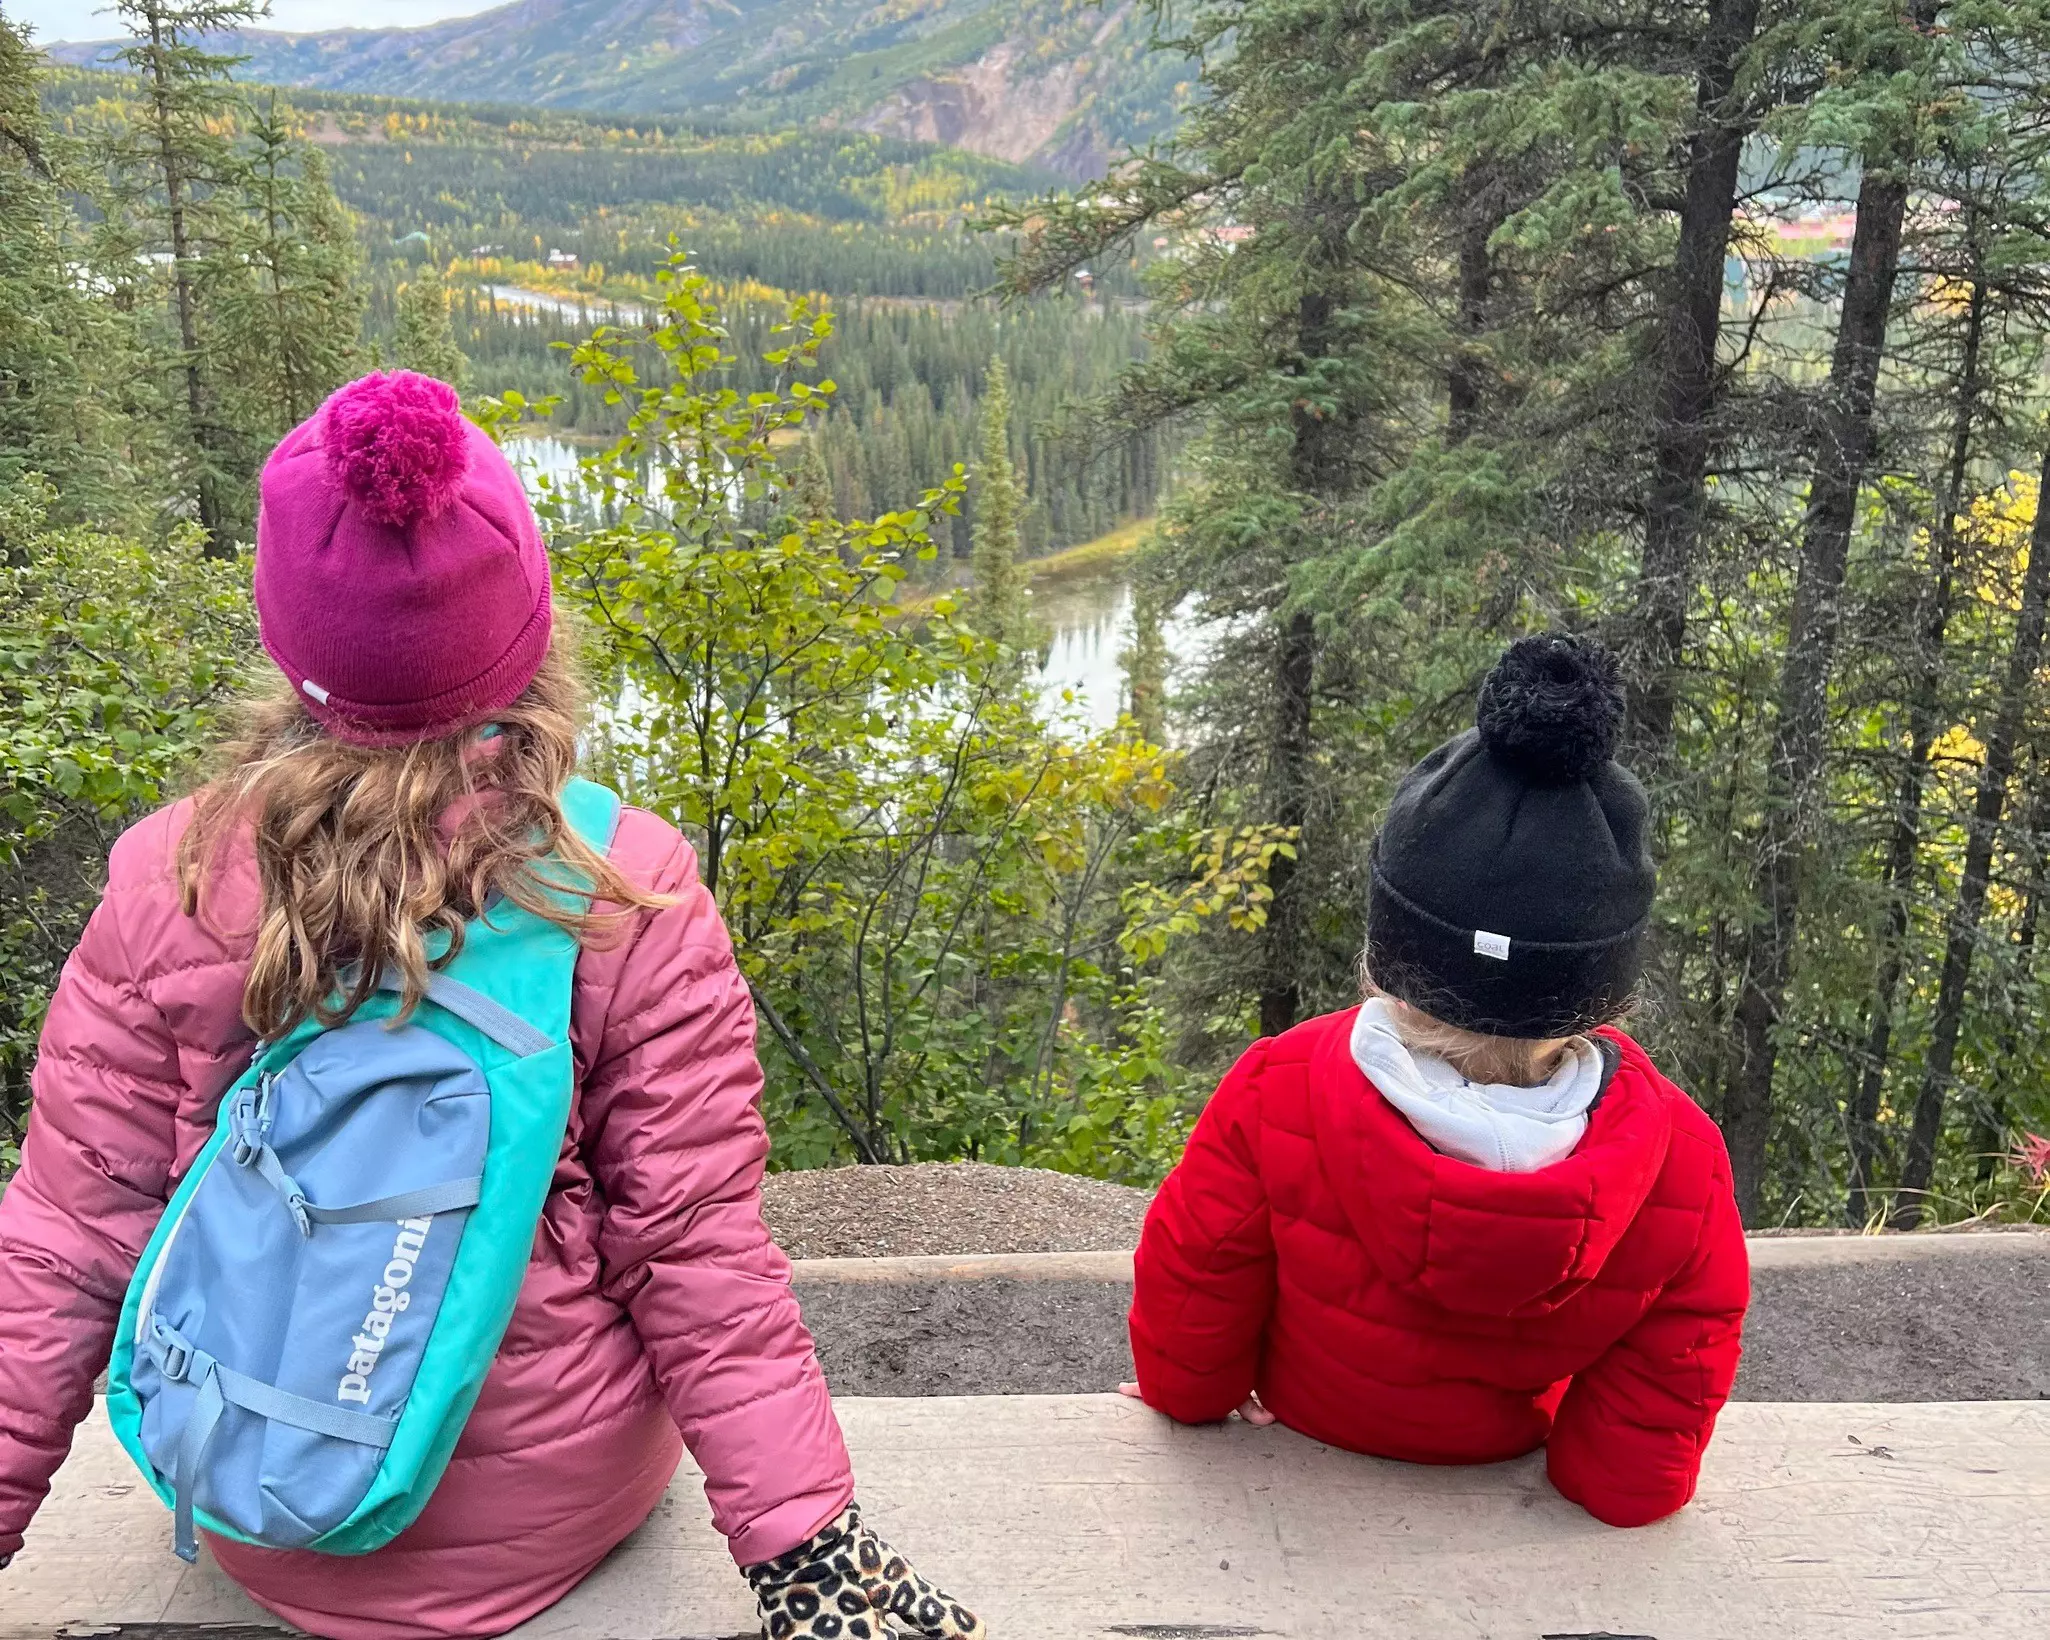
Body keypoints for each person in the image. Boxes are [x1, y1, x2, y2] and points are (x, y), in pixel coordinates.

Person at [0, 371, 980, 1640]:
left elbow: (62, 1246)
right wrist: (810, 1552)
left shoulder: (166, 878)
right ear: (527, 633)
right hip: (559, 1506)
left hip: (256, 1493)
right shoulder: (621, 887)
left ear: (289, 642)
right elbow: (693, 1250)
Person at [1122, 633, 1749, 1528]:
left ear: (1386, 953)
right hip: (1508, 1462)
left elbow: (1193, 1312)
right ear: (1604, 988)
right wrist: (1605, 1488)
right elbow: (1660, 1406)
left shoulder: (1277, 1088)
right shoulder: (1683, 1160)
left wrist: (1192, 1397)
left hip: (1306, 1453)